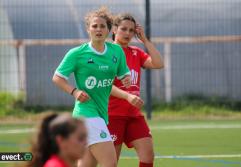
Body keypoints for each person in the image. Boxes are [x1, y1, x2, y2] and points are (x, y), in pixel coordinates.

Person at [52, 7, 131, 167]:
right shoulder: (77, 53)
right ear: (88, 29)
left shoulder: (116, 51)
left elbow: (124, 74)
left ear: (109, 30)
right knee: (110, 163)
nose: (98, 29)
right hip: (86, 114)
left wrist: (127, 79)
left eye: (103, 26)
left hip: (101, 114)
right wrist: (74, 91)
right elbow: (57, 78)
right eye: (94, 26)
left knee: (87, 164)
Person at [108, 13, 164, 167]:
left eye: (131, 30)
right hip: (112, 115)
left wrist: (145, 40)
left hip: (134, 115)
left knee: (148, 156)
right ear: (114, 29)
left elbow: (159, 64)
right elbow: (104, 84)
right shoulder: (106, 53)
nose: (127, 33)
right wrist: (127, 96)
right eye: (123, 29)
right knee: (111, 162)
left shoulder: (136, 52)